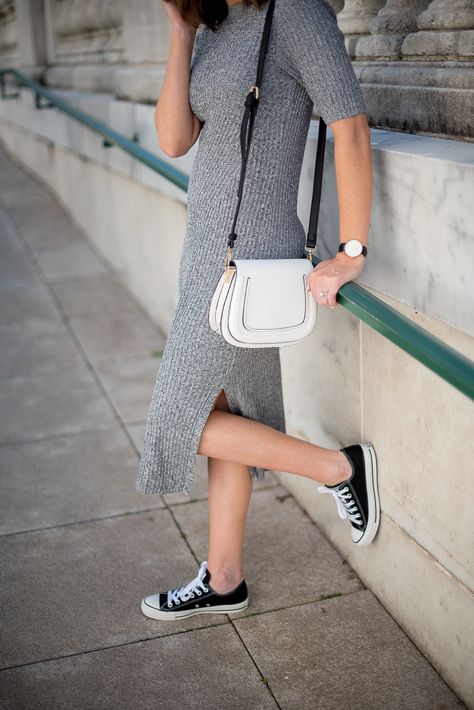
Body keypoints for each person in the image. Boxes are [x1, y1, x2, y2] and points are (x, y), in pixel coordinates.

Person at [138, 0, 379, 621]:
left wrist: (351, 250)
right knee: (228, 413)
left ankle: (338, 466)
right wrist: (180, 29)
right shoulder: (214, 26)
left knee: (176, 423)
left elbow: (349, 124)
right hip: (205, 251)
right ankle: (224, 579)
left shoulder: (296, 13)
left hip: (251, 253)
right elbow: (173, 139)